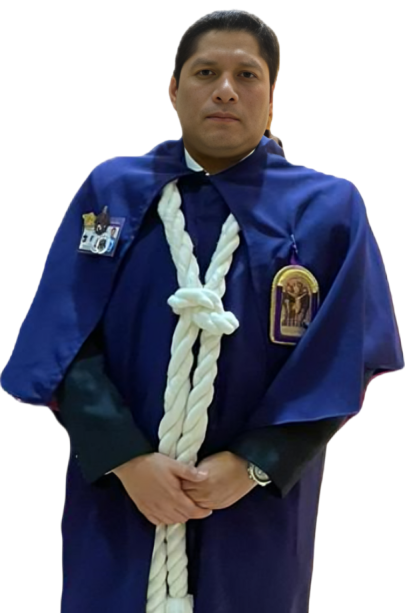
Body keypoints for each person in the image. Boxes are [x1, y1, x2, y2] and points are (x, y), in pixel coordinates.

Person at [0, 9, 404, 613]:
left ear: (272, 96)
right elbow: (64, 332)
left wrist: (254, 464)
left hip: (255, 504)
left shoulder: (328, 207)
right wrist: (126, 457)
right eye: (206, 72)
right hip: (122, 489)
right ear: (173, 88)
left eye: (247, 75)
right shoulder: (114, 189)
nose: (225, 90)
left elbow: (344, 355)